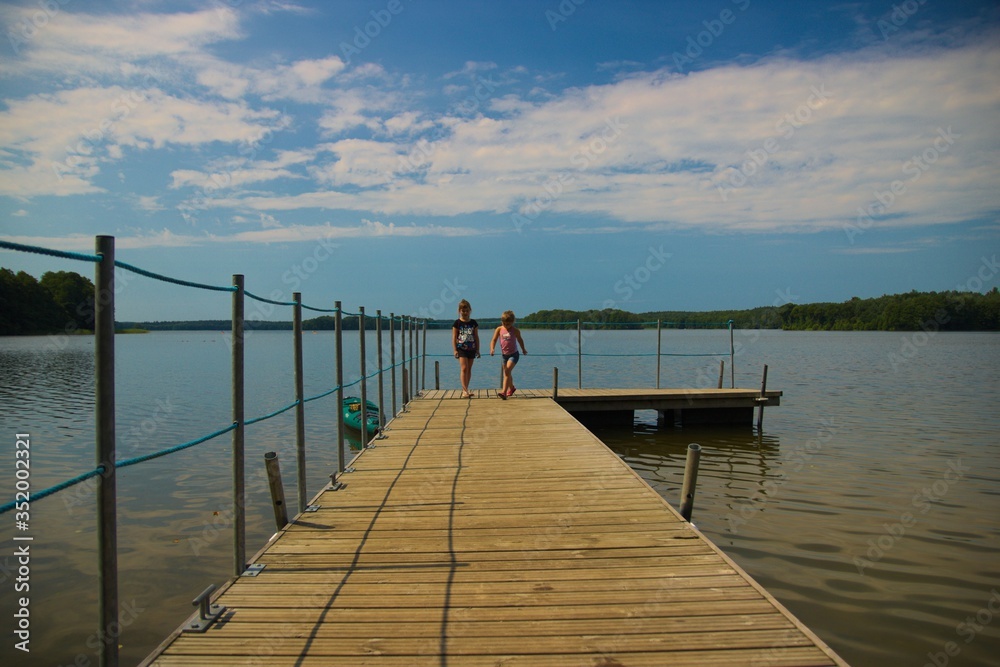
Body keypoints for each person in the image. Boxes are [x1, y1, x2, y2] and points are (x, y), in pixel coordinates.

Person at [490, 310, 527, 399]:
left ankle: (504, 392)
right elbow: (494, 340)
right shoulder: (499, 329)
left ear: (512, 322)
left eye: (508, 324)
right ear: (501, 321)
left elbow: (520, 340)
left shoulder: (515, 330)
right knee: (507, 372)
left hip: (514, 355)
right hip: (504, 355)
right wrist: (492, 349)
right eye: (504, 323)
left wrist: (523, 349)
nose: (506, 325)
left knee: (506, 372)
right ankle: (512, 388)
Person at [452, 299, 480, 398]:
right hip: (461, 348)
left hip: (472, 348)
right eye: (463, 311)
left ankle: (466, 389)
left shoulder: (473, 323)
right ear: (459, 311)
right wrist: (455, 350)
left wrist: (478, 349)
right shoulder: (457, 323)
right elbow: (454, 337)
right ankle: (464, 390)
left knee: (469, 369)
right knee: (464, 368)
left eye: (467, 311)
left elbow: (476, 336)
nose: (465, 313)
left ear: (470, 311)